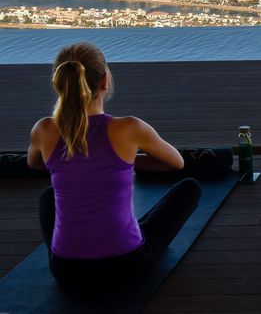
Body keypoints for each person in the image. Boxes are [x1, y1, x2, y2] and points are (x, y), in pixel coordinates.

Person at [27, 42, 201, 292]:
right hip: (126, 266)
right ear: (105, 81)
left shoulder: (44, 129)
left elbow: (35, 163)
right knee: (189, 189)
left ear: (61, 82)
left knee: (48, 197)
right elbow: (176, 163)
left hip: (66, 270)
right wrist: (123, 162)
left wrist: (76, 164)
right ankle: (124, 234)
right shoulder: (128, 127)